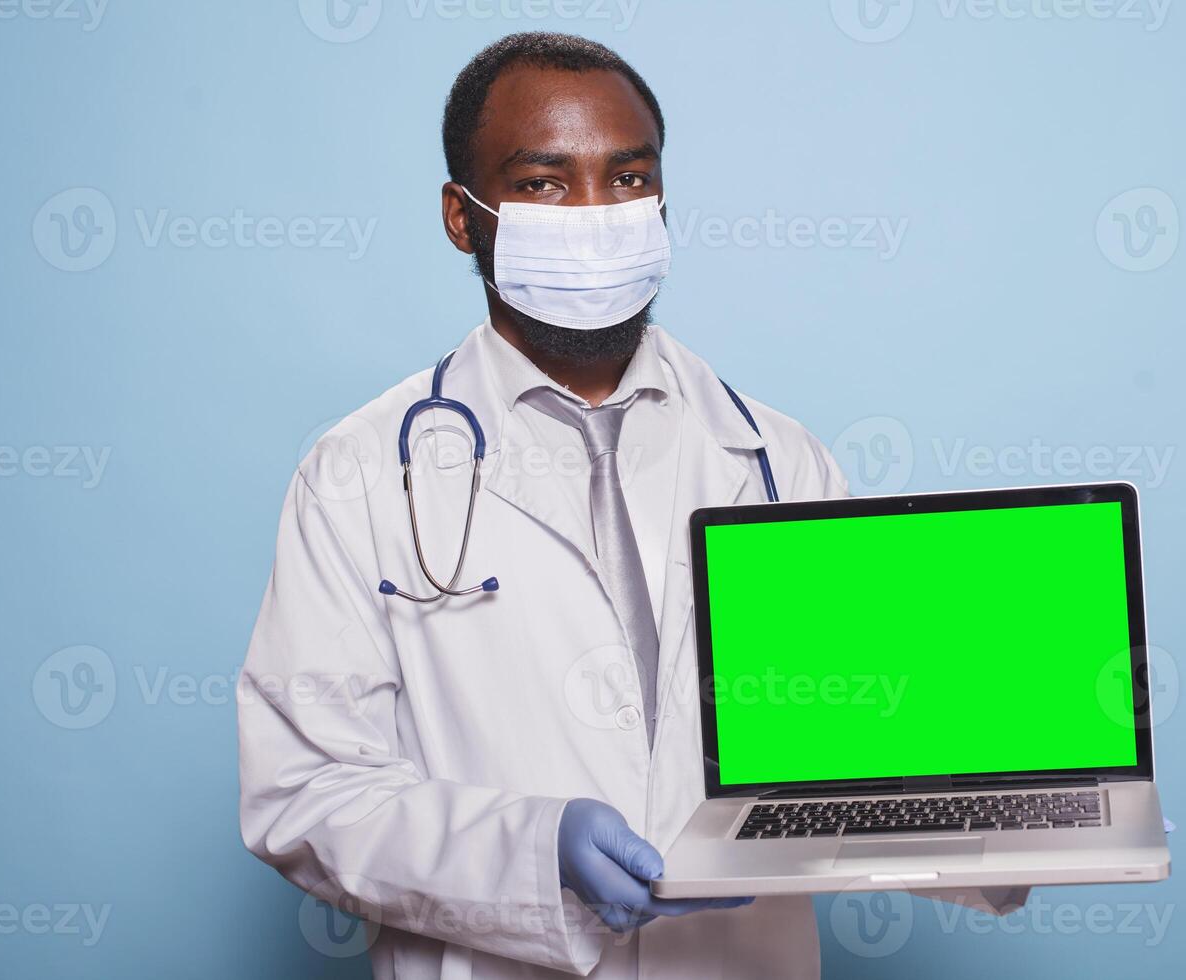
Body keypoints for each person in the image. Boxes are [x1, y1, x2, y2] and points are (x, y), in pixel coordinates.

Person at [238, 32, 847, 979]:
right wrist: (534, 848)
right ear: (460, 214)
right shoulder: (358, 473)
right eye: (543, 184)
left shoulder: (777, 461)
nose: (596, 214)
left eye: (628, 177)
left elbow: (842, 750)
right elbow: (306, 794)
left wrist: (1014, 801)